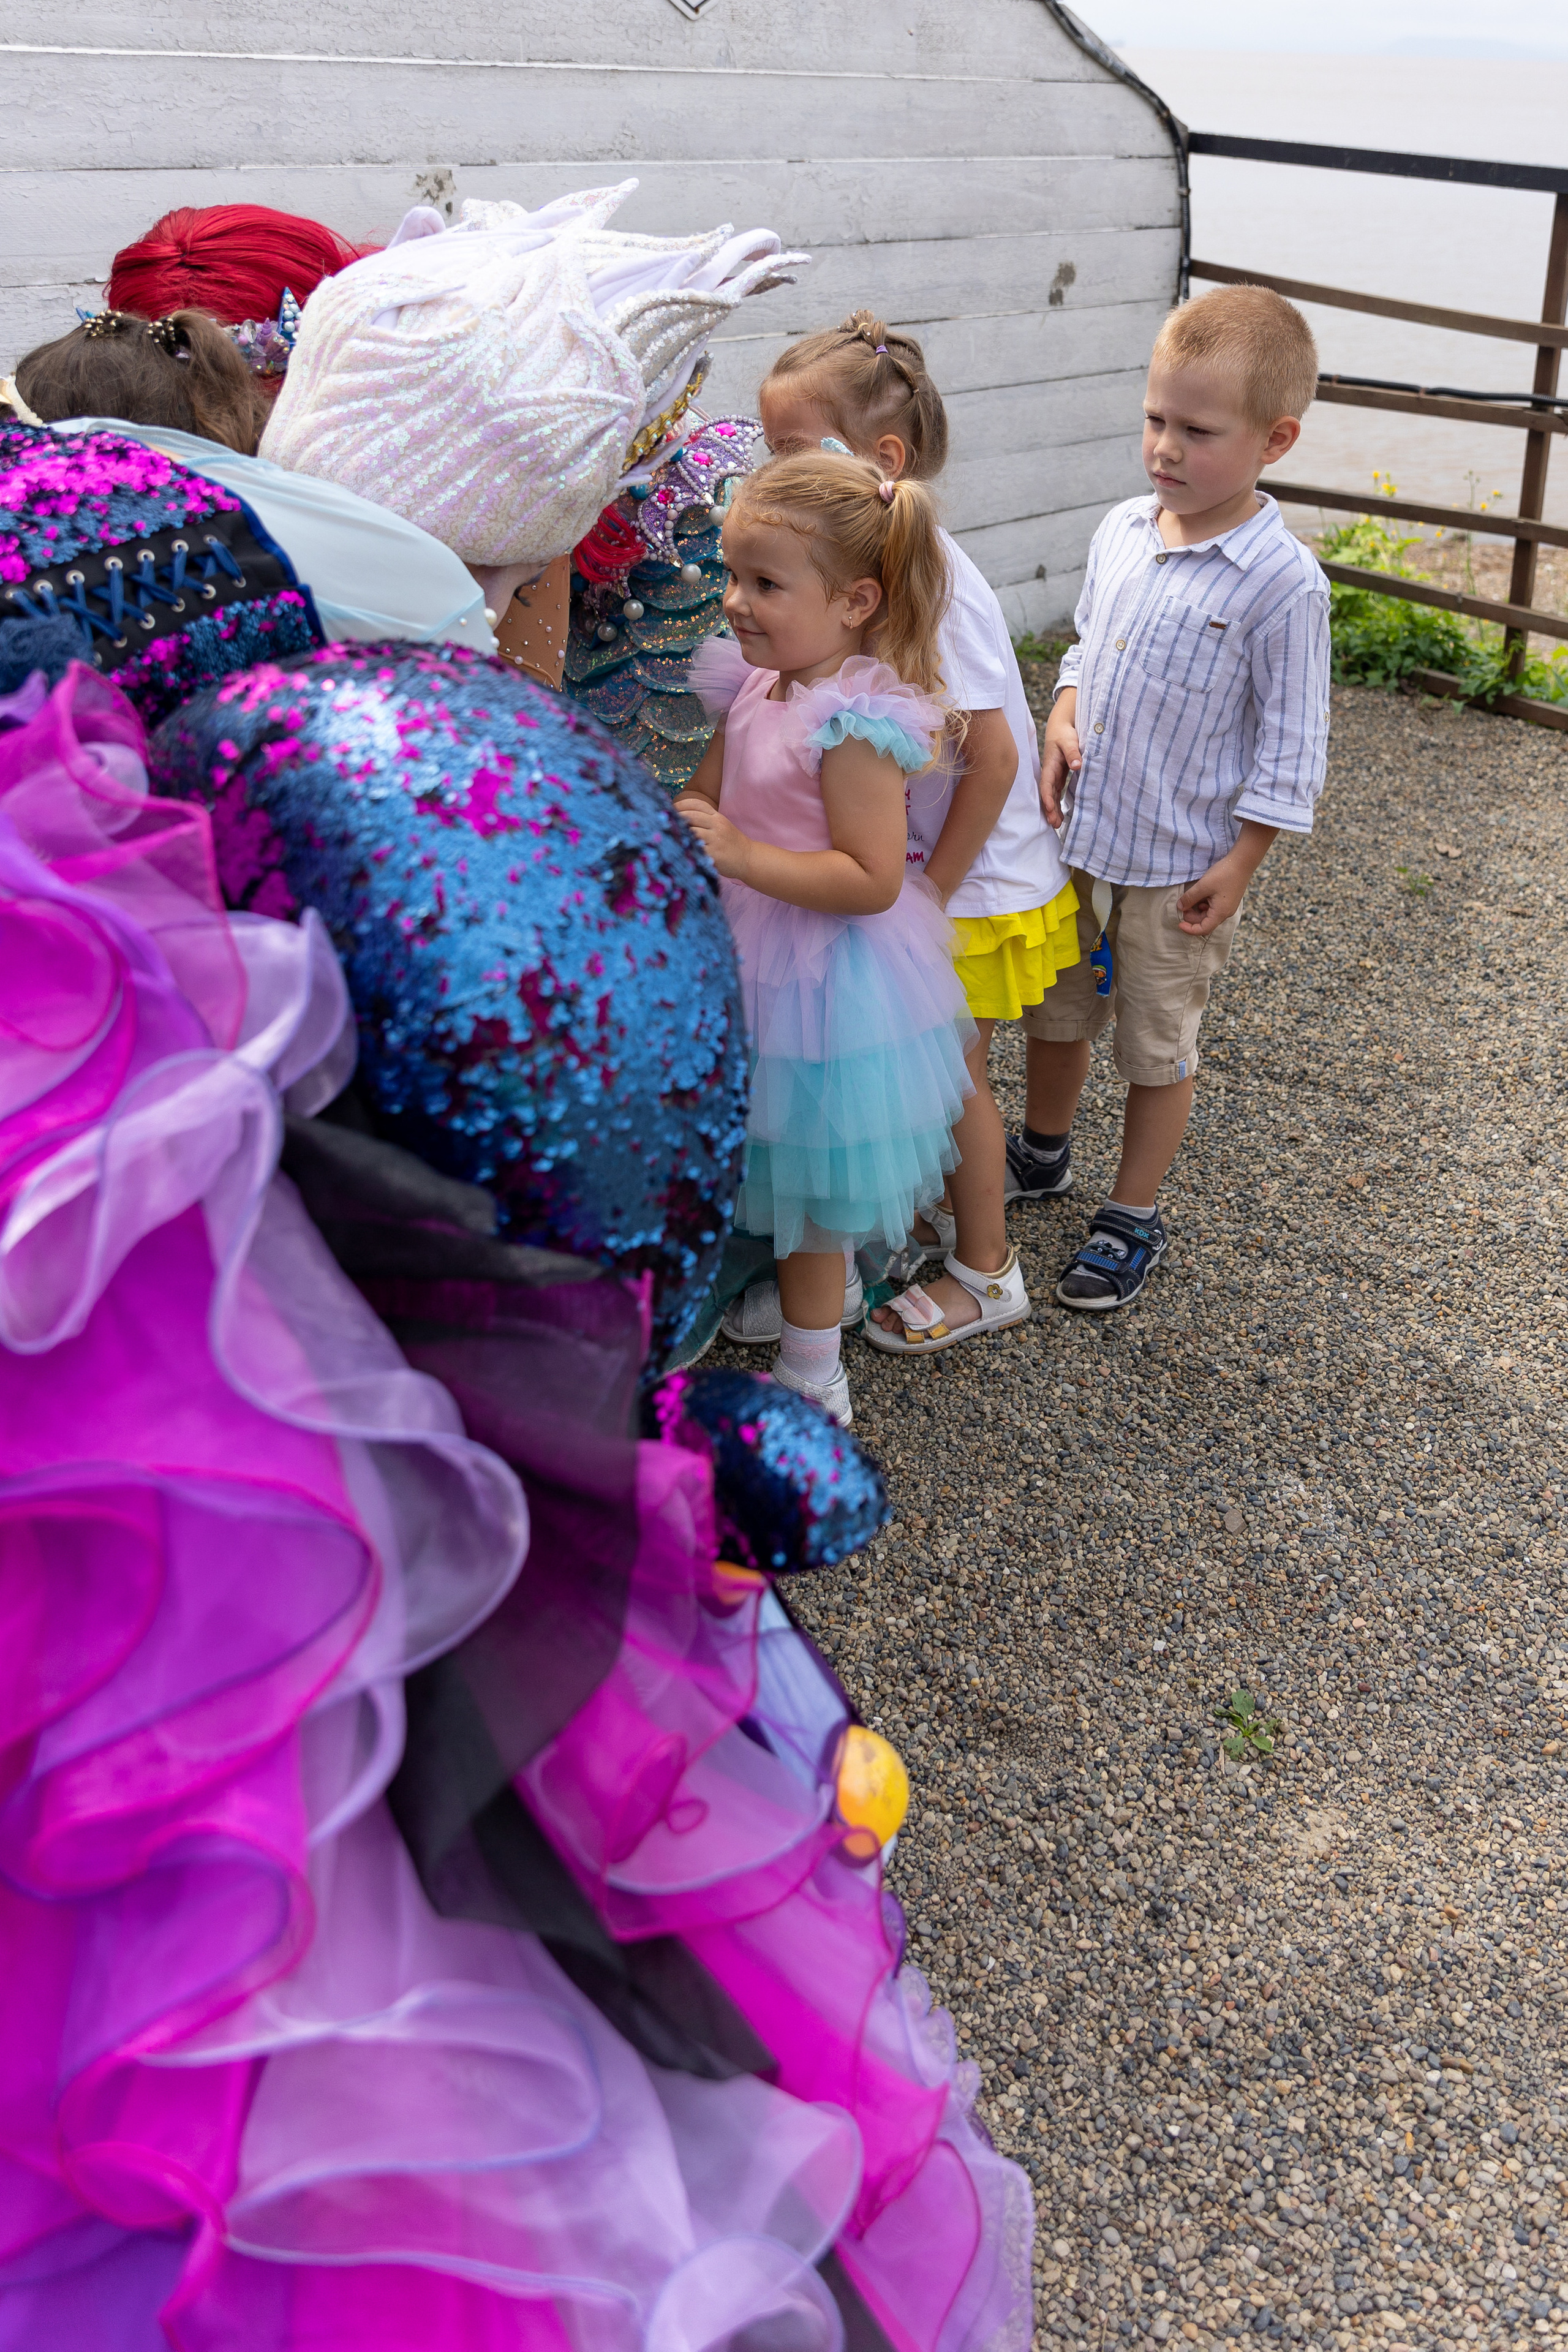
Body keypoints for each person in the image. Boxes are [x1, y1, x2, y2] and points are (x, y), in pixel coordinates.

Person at [745, 311, 1081, 1357]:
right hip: (927, 866)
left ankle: (989, 1272)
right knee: (911, 1075)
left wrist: (934, 891)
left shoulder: (937, 578)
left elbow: (993, 759)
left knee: (951, 1080)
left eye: (794, 450)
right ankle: (875, 1242)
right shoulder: (864, 571)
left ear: (881, 459)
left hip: (969, 880)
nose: (775, 469)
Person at [1024, 282, 1330, 1308]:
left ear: (1274, 440)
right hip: (1080, 839)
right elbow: (1083, 646)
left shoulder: (1283, 584)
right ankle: (1044, 1147)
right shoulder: (1121, 528)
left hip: (1178, 864)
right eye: (1156, 419)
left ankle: (1131, 1213)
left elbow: (1293, 745)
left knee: (1158, 1043)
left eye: (1197, 430)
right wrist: (1064, 712)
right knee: (1057, 1011)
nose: (1165, 447)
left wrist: (1242, 862)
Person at [676, 450, 976, 1425]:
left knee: (809, 1190)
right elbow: (710, 797)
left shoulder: (853, 723)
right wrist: (688, 827)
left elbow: (873, 878)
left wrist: (742, 857)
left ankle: (815, 1382)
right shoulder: (756, 686)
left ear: (855, 601)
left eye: (765, 583)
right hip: (751, 949)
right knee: (761, 1154)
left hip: (825, 975)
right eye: (731, 575)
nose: (735, 602)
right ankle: (826, 1301)